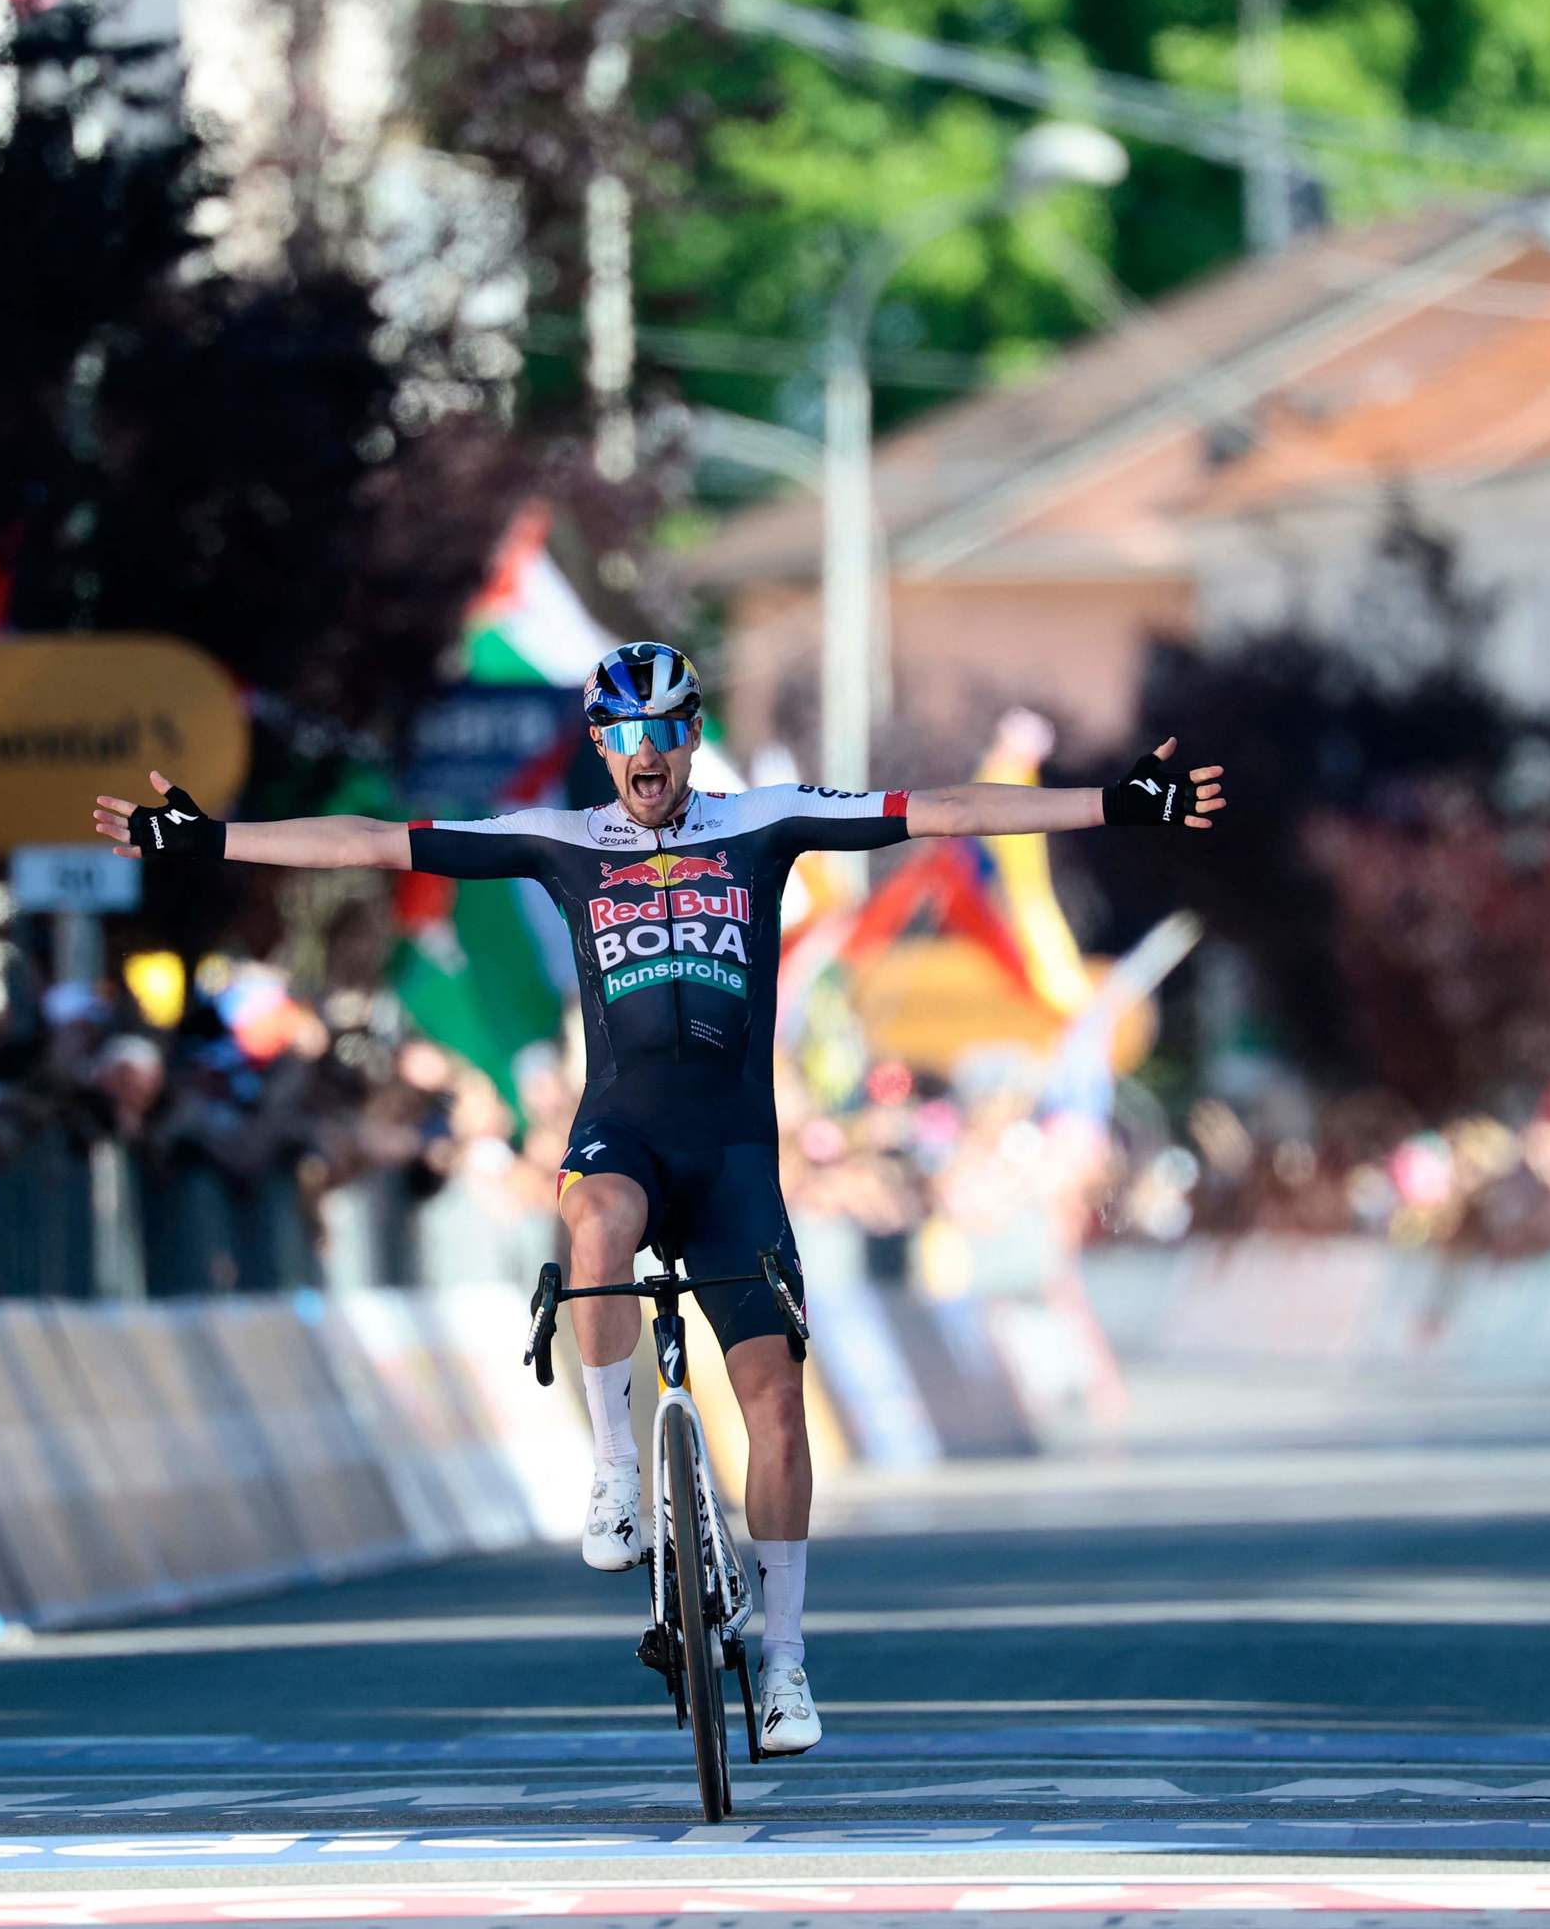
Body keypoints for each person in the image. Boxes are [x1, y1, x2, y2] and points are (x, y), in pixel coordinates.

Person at [92, 642, 1222, 1755]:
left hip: (734, 1154)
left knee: (774, 1397)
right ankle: (619, 1474)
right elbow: (376, 844)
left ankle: (784, 1663)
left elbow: (949, 810)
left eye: (665, 731)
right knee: (590, 1217)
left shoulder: (764, 820)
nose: (646, 754)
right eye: (623, 736)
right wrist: (213, 838)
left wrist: (1116, 804)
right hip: (624, 1131)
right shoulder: (558, 838)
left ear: (690, 738)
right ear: (602, 746)